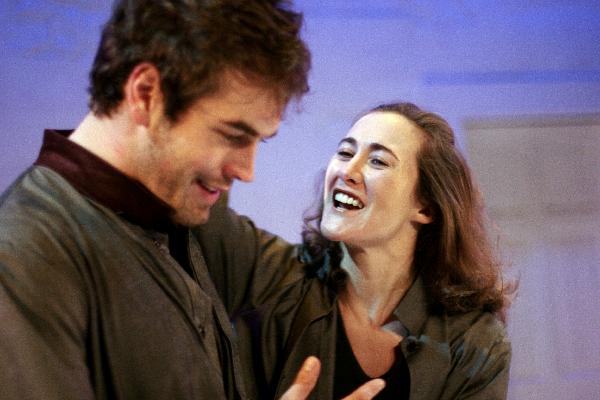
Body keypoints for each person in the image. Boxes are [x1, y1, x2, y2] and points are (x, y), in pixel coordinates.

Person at [0, 1, 384, 399]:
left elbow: (305, 279)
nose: (246, 171)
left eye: (258, 141)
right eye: (233, 136)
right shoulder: (24, 258)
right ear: (146, 94)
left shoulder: (174, 208)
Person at [236, 102, 515, 399]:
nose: (348, 171)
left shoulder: (476, 342)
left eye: (378, 161)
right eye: (345, 153)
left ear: (425, 207)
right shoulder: (272, 276)